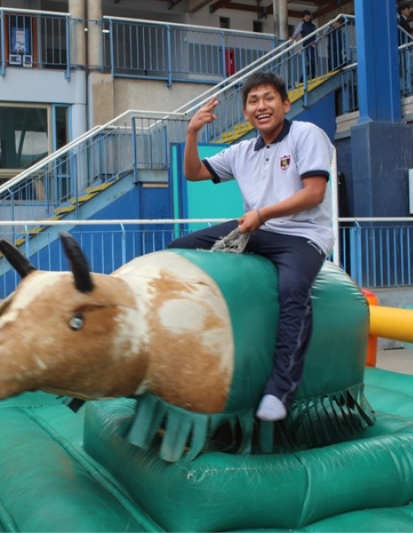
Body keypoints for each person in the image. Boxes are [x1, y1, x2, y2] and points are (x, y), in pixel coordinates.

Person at [169, 72, 334, 422]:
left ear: (285, 104)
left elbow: (314, 193)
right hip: (256, 228)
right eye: (253, 101)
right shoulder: (243, 150)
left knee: (292, 290)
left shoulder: (306, 135)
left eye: (269, 98)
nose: (261, 106)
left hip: (302, 235)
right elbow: (194, 172)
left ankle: (280, 389)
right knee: (179, 250)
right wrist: (192, 132)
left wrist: (262, 214)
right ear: (246, 112)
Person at [290, 10, 317, 81]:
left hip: (313, 46)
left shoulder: (314, 25)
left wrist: (315, 43)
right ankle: (302, 78)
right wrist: (293, 37)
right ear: (303, 17)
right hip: (306, 46)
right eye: (305, 16)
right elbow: (296, 33)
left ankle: (312, 77)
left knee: (314, 62)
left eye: (308, 15)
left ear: (310, 16)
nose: (307, 17)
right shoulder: (301, 24)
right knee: (311, 61)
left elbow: (317, 35)